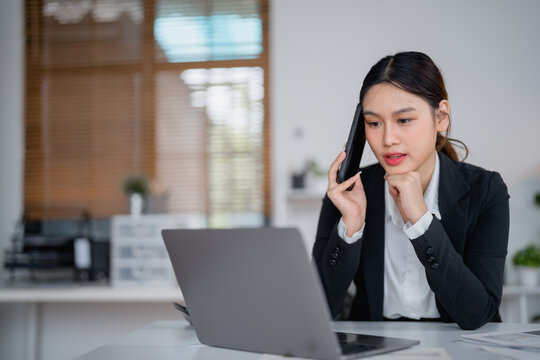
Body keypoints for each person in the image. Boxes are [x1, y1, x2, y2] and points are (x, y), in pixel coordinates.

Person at [312, 51, 509, 330]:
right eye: (374, 123)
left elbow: (479, 314)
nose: (387, 139)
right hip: (377, 345)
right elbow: (318, 312)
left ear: (440, 117)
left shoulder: (486, 190)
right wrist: (350, 228)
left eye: (404, 120)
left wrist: (421, 222)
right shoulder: (348, 194)